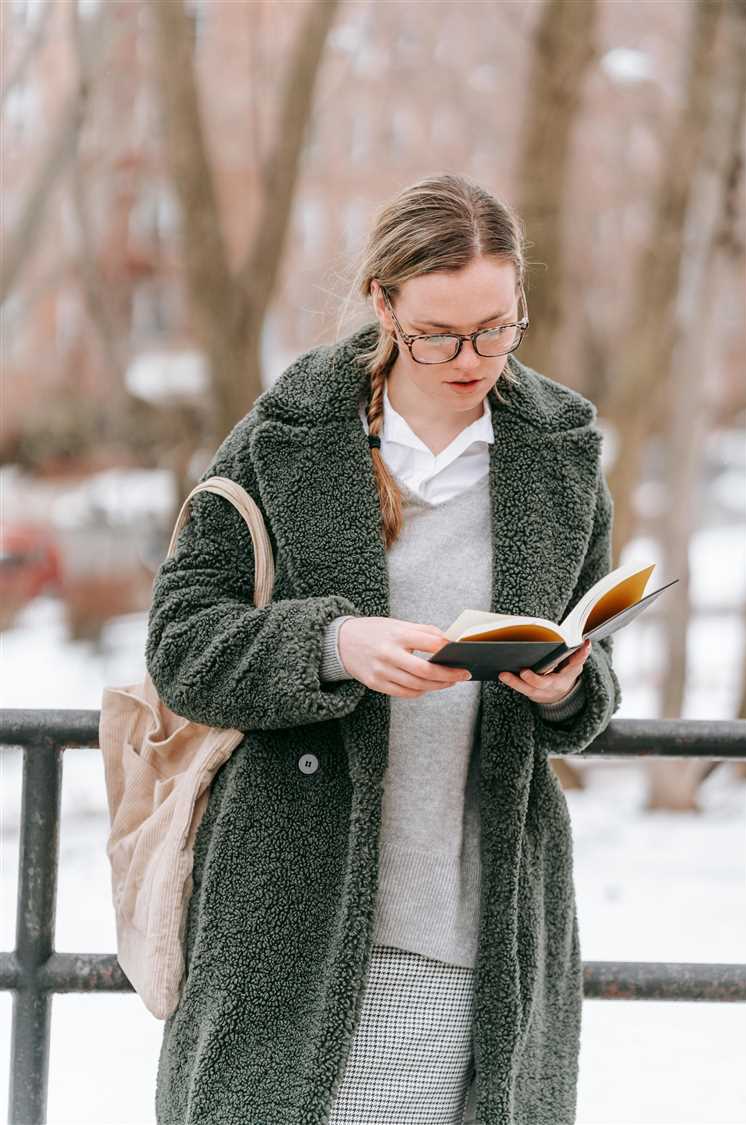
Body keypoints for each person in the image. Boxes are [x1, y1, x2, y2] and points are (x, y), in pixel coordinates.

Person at [146, 172, 621, 1125]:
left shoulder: (559, 452)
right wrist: (332, 643)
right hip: (295, 918)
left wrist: (566, 684)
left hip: (484, 928)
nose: (471, 358)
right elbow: (181, 639)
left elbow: (592, 678)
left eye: (496, 327)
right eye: (439, 333)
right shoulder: (287, 438)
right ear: (384, 302)